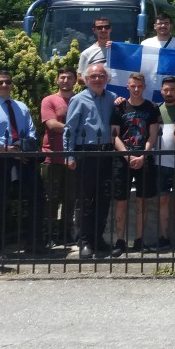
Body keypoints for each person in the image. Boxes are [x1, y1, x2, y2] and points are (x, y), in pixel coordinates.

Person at [0, 70, 45, 257]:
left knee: (37, 198)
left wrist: (20, 149)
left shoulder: (21, 107)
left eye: (7, 82)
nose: (4, 85)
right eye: (0, 82)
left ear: (12, 85)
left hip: (23, 158)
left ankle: (34, 244)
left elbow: (31, 133)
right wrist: (8, 150)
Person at [64, 63, 118, 259]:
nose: (97, 79)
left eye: (101, 76)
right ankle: (84, 241)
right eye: (93, 76)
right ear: (86, 80)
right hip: (86, 153)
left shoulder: (112, 98)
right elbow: (69, 129)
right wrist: (69, 155)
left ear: (107, 79)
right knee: (85, 199)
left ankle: (98, 238)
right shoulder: (78, 99)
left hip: (106, 153)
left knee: (104, 198)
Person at [111, 72, 159, 255]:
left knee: (142, 201)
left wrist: (143, 156)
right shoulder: (119, 107)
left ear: (144, 87)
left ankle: (139, 240)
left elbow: (153, 134)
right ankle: (120, 240)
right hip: (123, 159)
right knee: (121, 201)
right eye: (133, 86)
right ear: (128, 87)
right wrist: (127, 156)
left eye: (139, 86)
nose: (136, 89)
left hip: (144, 158)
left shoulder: (151, 107)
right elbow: (114, 135)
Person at [40, 67, 76, 246]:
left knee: (70, 198)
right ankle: (48, 234)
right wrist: (75, 128)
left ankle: (65, 232)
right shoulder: (49, 100)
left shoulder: (79, 99)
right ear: (57, 80)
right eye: (62, 77)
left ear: (75, 80)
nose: (65, 81)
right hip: (52, 156)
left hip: (73, 157)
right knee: (51, 198)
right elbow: (52, 124)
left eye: (69, 78)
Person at [152, 76, 175, 252]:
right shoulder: (155, 109)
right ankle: (163, 237)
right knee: (162, 200)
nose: (169, 93)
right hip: (160, 163)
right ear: (161, 91)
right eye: (166, 90)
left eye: (172, 89)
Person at [77, 17, 112, 82]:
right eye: (99, 28)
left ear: (110, 29)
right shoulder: (86, 53)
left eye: (106, 27)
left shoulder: (121, 51)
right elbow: (79, 79)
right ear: (94, 30)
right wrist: (97, 80)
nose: (103, 30)